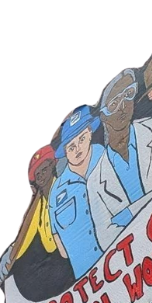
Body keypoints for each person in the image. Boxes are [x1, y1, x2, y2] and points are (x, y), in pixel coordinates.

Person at [86, 67, 152, 241]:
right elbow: (106, 237)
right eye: (114, 104)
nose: (123, 107)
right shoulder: (95, 182)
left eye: (128, 94)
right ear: (103, 117)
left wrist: (127, 215)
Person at [0, 145, 73, 299]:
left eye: (44, 170)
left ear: (53, 166)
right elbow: (25, 237)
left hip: (73, 259)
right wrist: (10, 255)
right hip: (57, 268)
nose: (41, 177)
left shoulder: (65, 188)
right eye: (37, 175)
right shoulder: (38, 206)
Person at [48, 105, 107, 280]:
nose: (78, 149)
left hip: (129, 259)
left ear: (90, 132)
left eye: (81, 139)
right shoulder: (56, 192)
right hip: (90, 282)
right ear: (65, 152)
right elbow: (62, 249)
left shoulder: (108, 159)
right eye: (71, 147)